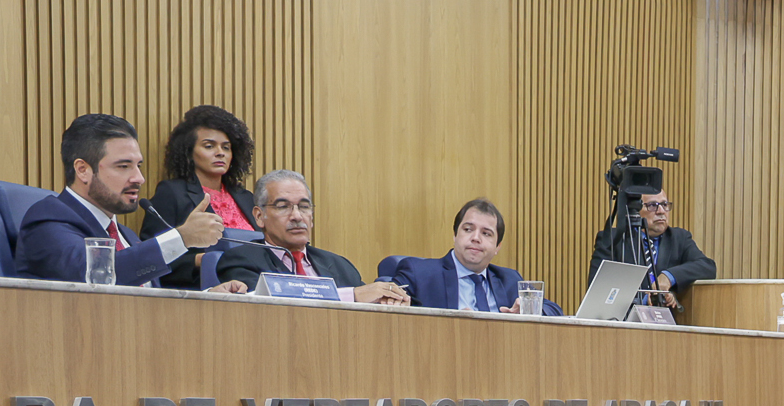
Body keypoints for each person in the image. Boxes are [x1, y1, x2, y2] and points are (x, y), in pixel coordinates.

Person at [17, 113, 236, 289]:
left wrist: (208, 298)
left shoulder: (127, 236)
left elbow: (149, 301)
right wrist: (181, 238)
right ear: (83, 170)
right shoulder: (48, 219)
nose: (139, 178)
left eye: (138, 166)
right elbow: (96, 278)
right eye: (123, 166)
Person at [215, 171, 410, 304]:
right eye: (283, 207)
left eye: (304, 207)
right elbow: (271, 302)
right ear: (259, 216)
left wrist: (388, 301)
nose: (297, 216)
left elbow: (365, 304)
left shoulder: (340, 265)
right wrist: (351, 295)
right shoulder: (240, 260)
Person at [141, 106, 260, 282]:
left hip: (254, 283)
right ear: (189, 152)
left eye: (226, 147)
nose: (220, 153)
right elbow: (151, 256)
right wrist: (200, 260)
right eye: (209, 146)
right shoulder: (172, 193)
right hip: (204, 287)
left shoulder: (247, 198)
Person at [391, 198, 558, 313]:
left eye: (486, 233)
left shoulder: (509, 279)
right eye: (468, 229)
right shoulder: (418, 273)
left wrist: (527, 310)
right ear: (455, 235)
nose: (476, 238)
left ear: (497, 247)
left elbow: (554, 310)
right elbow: (386, 302)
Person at [588, 190, 714, 309]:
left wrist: (668, 277)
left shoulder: (679, 238)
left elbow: (707, 267)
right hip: (624, 318)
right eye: (652, 205)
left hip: (667, 320)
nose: (661, 211)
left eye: (664, 204)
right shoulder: (613, 240)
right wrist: (644, 300)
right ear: (635, 210)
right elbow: (597, 290)